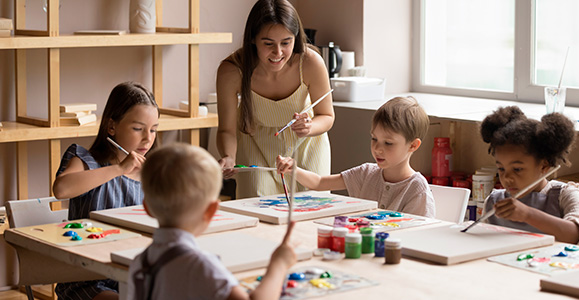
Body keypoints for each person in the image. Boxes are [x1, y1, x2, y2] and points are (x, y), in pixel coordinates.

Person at [128, 143, 296, 300]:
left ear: (147, 207)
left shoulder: (140, 262)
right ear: (211, 211)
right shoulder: (199, 266)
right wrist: (278, 264)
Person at [52, 81, 160, 300]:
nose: (148, 138)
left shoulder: (152, 173)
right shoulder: (84, 158)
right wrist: (119, 169)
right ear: (111, 127)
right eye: (138, 129)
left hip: (132, 272)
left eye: (154, 130)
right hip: (86, 278)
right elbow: (61, 189)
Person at [216, 0, 334, 198]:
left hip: (306, 147)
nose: (278, 53)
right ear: (253, 39)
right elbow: (226, 129)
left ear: (295, 38)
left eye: (286, 43)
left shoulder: (311, 62)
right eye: (268, 43)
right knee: (258, 212)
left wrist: (309, 127)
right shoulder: (232, 70)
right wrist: (229, 156)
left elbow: (327, 115)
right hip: (256, 148)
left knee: (311, 211)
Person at [277, 97, 435, 218]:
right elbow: (319, 182)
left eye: (388, 143)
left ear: (413, 145)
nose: (377, 148)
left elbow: (418, 235)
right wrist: (294, 170)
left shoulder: (417, 190)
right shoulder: (366, 173)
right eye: (374, 139)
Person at [480, 106, 579, 246]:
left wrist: (528, 215)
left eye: (517, 169)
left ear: (544, 166)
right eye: (501, 168)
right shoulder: (494, 201)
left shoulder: (564, 195)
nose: (507, 178)